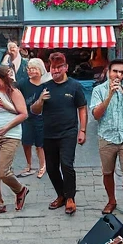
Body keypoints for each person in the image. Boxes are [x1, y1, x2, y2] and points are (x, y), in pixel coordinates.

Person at [31, 52, 87, 215]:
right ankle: (61, 195)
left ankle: (70, 198)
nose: (54, 71)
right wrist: (41, 100)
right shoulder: (45, 85)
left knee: (67, 164)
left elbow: (82, 108)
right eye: (52, 68)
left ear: (65, 67)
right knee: (52, 168)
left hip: (68, 132)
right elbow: (34, 110)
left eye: (58, 67)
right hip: (48, 132)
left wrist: (82, 130)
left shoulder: (74, 86)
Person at [91, 59, 123, 220]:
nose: (118, 75)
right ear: (109, 71)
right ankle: (111, 201)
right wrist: (110, 95)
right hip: (106, 136)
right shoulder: (99, 90)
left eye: (122, 72)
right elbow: (96, 114)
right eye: (115, 71)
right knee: (108, 172)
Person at [0, 66, 30, 217]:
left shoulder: (13, 92)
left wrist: (6, 126)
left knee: (3, 172)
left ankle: (20, 189)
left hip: (10, 134)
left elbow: (23, 114)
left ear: (4, 78)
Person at [17, 58, 48, 179]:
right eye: (29, 69)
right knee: (26, 142)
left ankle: (42, 165)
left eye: (34, 69)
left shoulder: (46, 84)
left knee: (40, 144)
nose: (30, 71)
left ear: (40, 70)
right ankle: (29, 164)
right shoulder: (23, 83)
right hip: (27, 118)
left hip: (41, 118)